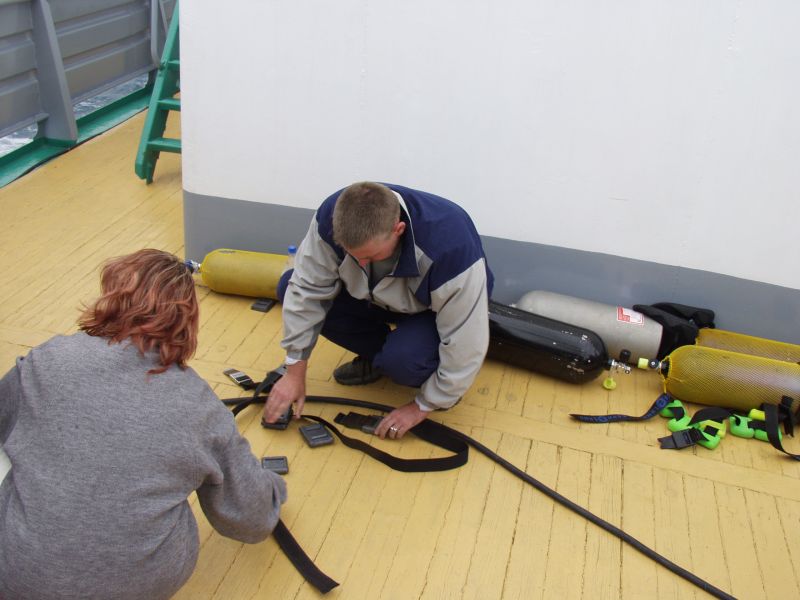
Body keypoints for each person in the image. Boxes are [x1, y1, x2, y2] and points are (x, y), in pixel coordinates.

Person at [0, 249, 287, 600]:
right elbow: (251, 520)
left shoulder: (47, 358)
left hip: (16, 576)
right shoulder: (199, 405)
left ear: (111, 298)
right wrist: (275, 488)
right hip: (138, 589)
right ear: (187, 321)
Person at [263, 182, 493, 439]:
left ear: (398, 230)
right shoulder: (333, 216)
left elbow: (467, 338)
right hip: (376, 296)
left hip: (432, 309)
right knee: (288, 286)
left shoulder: (451, 246)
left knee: (404, 361)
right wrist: (294, 371)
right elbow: (306, 289)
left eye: (371, 257)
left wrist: (424, 405)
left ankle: (428, 378)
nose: (361, 263)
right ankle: (378, 359)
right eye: (353, 255)